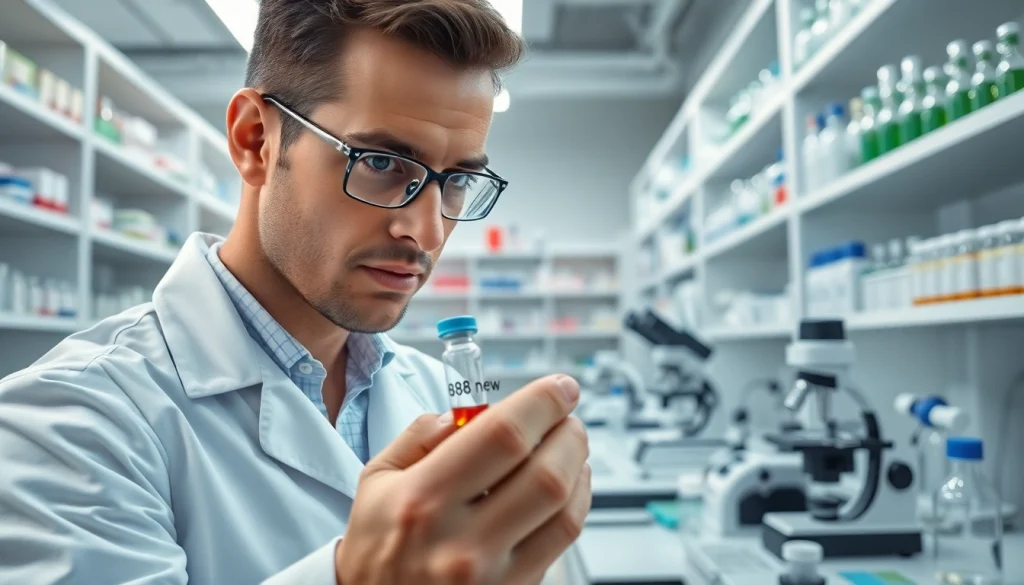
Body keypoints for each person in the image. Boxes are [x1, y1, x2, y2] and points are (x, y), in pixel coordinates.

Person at [0, 1, 592, 583]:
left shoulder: (435, 392)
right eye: (382, 163)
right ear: (255, 140)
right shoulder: (71, 422)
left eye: (457, 180)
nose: (428, 230)